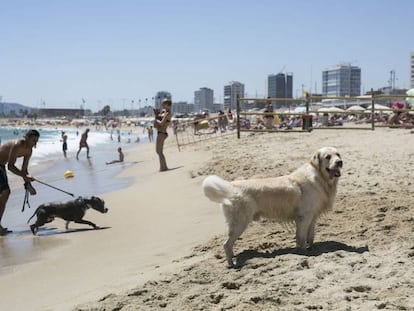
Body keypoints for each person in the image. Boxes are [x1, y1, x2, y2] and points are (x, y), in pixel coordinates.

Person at [0, 129, 39, 235]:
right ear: (26, 138)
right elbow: (11, 166)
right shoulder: (18, 145)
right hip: (2, 166)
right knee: (5, 192)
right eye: (33, 140)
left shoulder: (29, 151)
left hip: (1, 166)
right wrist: (25, 176)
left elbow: (24, 170)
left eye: (36, 141)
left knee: (5, 193)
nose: (34, 143)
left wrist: (28, 185)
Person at [154, 99, 172, 172]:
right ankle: (163, 166)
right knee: (158, 151)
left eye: (163, 104)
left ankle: (163, 167)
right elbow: (156, 125)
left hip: (162, 132)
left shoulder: (168, 113)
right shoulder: (163, 113)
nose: (162, 105)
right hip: (160, 132)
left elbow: (161, 123)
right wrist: (156, 115)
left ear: (167, 105)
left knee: (159, 151)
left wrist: (156, 119)